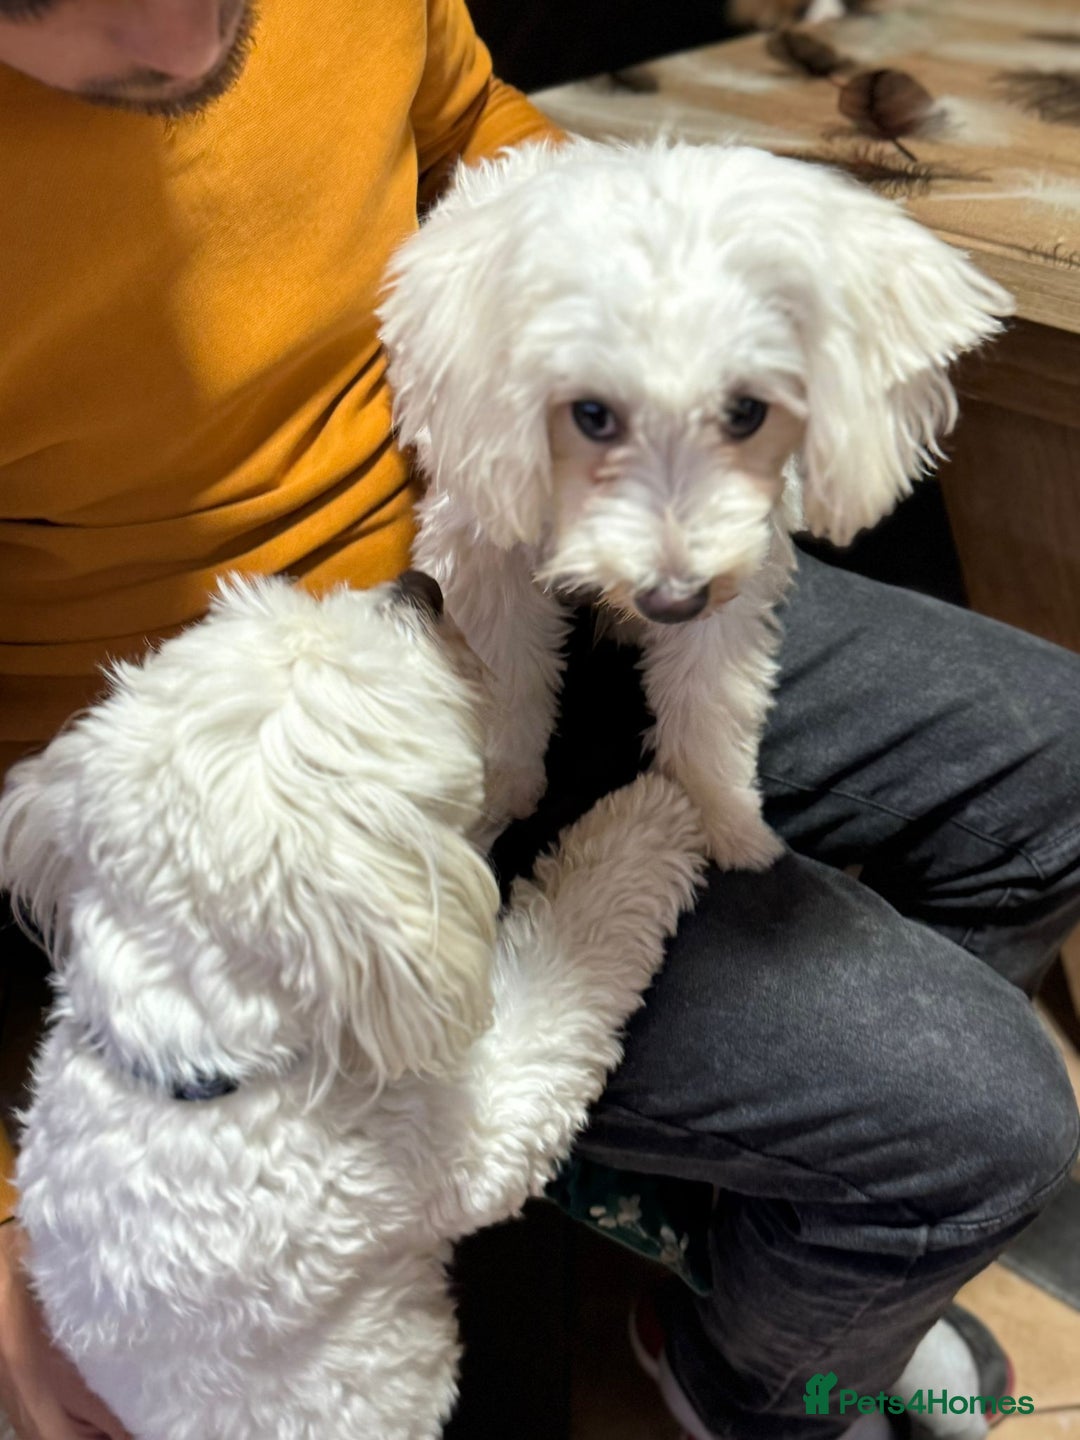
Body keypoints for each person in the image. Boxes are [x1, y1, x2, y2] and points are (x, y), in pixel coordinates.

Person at [0, 2, 1078, 1437]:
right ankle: (758, 1385)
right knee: (987, 1123)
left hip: (513, 539)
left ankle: (740, 1237)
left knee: (1051, 762)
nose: (174, 35)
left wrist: (647, 300)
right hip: (258, 777)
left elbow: (476, 120)